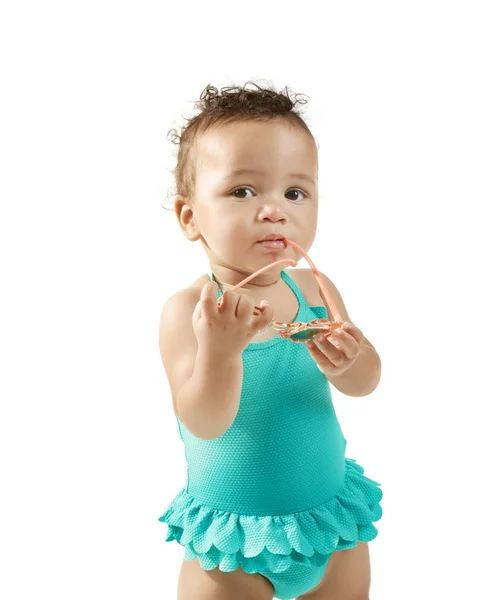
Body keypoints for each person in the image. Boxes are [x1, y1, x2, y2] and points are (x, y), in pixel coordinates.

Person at [157, 81, 383, 600]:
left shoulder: (315, 289)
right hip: (232, 553)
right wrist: (219, 352)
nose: (274, 209)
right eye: (242, 191)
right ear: (189, 216)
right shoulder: (188, 313)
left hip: (332, 526)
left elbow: (365, 383)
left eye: (295, 192)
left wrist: (350, 359)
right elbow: (205, 421)